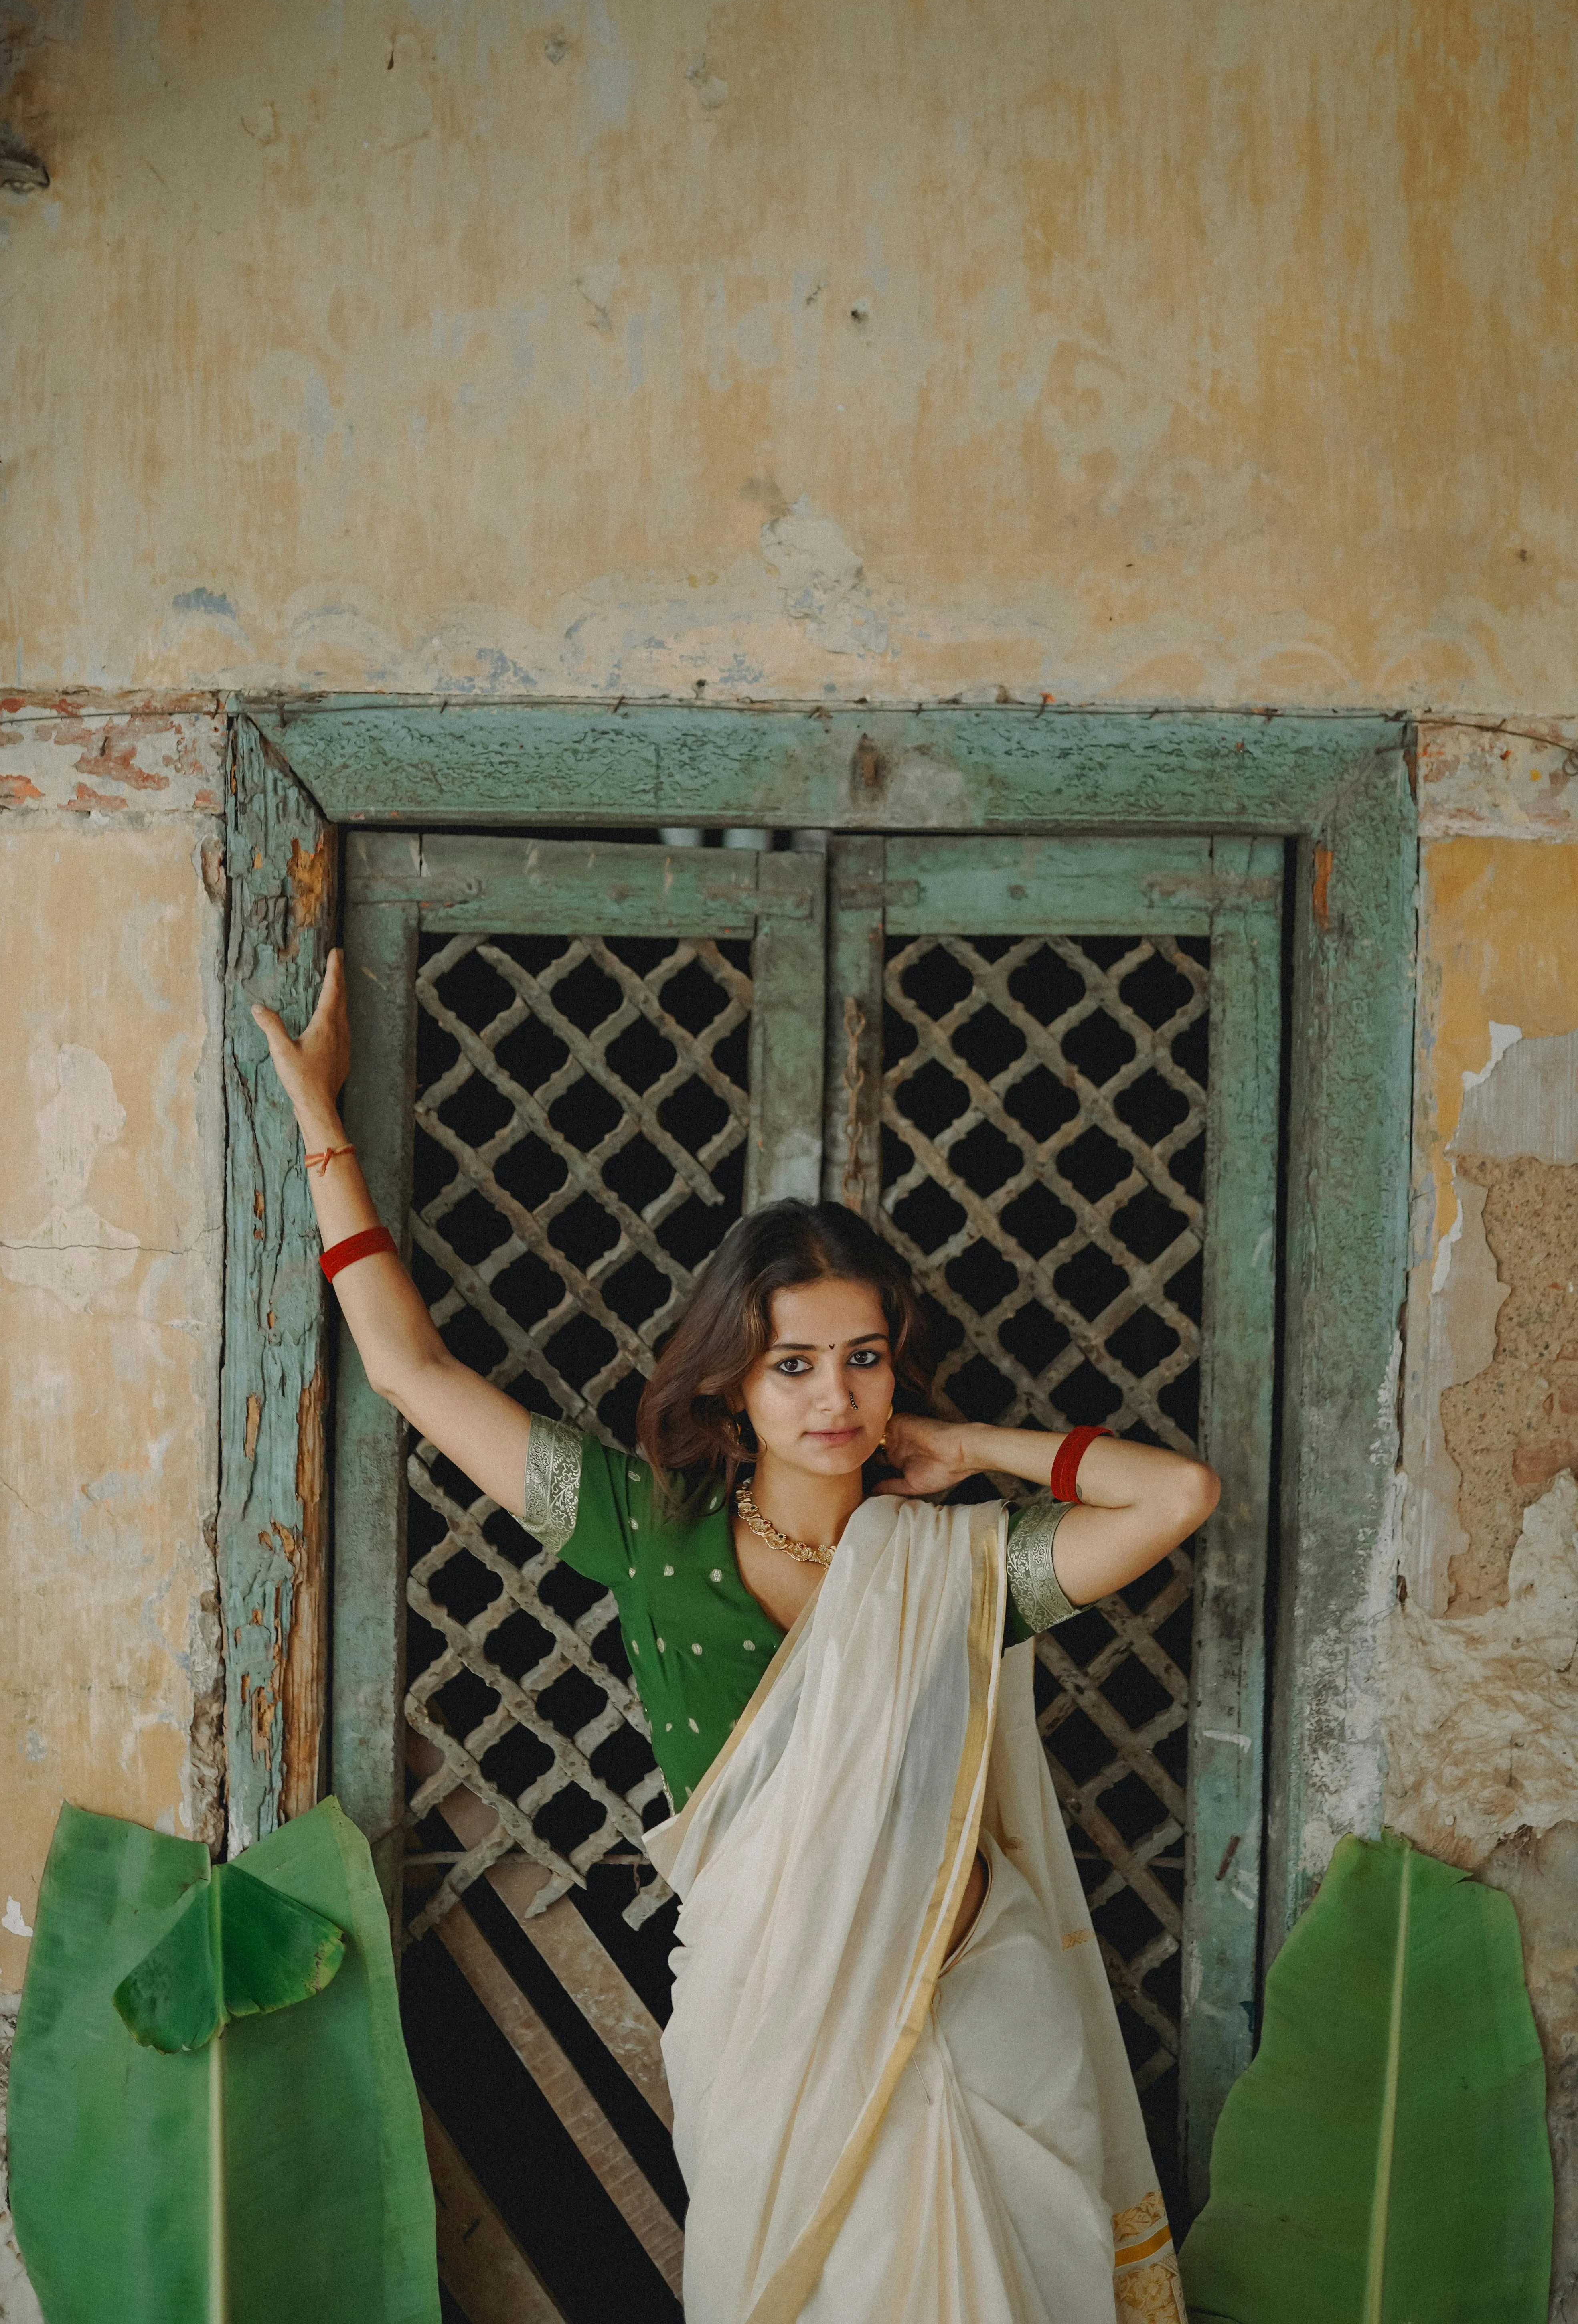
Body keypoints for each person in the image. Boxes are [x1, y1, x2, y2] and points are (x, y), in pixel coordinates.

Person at [255, 951, 1217, 2324]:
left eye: (865, 1358)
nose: (835, 1395)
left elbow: (1176, 1496)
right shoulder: (646, 1530)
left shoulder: (951, 1568)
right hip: (768, 2041)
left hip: (974, 2033)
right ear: (734, 1378)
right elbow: (414, 1371)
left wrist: (977, 1445)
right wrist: (322, 1126)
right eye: (795, 1364)